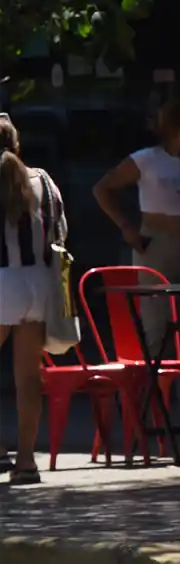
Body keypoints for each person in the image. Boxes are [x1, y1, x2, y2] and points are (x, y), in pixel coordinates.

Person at [93, 96, 180, 404]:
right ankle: (152, 406)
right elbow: (103, 188)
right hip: (156, 247)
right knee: (156, 330)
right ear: (175, 129)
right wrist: (126, 226)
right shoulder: (146, 160)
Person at [0, 113, 67, 485]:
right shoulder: (42, 179)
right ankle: (26, 462)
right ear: (17, 145)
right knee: (29, 379)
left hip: (1, 282)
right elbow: (60, 231)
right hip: (39, 284)